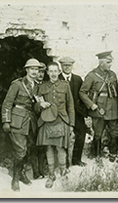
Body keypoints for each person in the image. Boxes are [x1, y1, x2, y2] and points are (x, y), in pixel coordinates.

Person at [2, 58, 43, 191]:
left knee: (29, 148)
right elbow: (7, 103)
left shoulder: (37, 86)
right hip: (17, 120)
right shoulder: (18, 84)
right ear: (26, 70)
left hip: (31, 122)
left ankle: (22, 173)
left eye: (37, 69)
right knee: (20, 151)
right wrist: (6, 121)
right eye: (32, 69)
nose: (35, 72)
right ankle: (15, 178)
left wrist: (41, 105)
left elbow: (35, 107)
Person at [36, 61, 75, 189]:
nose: (53, 74)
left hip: (61, 119)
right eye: (50, 71)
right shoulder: (42, 87)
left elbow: (70, 105)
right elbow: (36, 106)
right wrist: (40, 105)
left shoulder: (65, 85)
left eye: (55, 71)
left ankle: (63, 173)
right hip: (47, 120)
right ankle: (51, 175)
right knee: (48, 148)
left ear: (59, 72)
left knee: (60, 148)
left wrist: (71, 125)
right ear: (47, 73)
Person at [79, 51, 118, 162]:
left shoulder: (112, 75)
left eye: (110, 62)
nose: (110, 65)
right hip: (99, 110)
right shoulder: (91, 75)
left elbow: (117, 92)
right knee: (97, 135)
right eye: (108, 62)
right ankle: (96, 157)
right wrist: (91, 105)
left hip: (112, 109)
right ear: (101, 62)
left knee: (115, 133)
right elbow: (82, 92)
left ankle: (113, 155)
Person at [59, 56, 88, 167]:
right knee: (65, 137)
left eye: (69, 65)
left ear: (72, 66)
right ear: (61, 66)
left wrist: (83, 111)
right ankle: (65, 163)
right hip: (63, 114)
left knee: (81, 134)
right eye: (65, 66)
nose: (67, 68)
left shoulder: (78, 79)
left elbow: (82, 95)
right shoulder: (57, 79)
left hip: (77, 114)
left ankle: (76, 160)